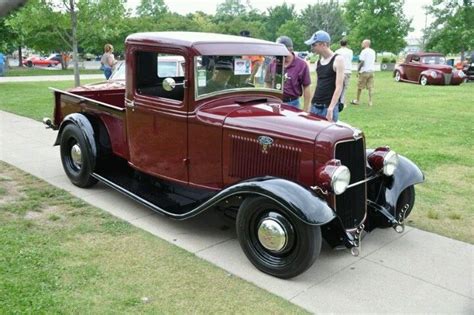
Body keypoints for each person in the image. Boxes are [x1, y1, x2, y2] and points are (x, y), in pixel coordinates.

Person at [304, 30, 345, 122]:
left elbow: (339, 87)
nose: (312, 48)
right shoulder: (318, 62)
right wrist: (311, 104)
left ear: (324, 44)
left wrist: (331, 108)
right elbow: (317, 84)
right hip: (315, 106)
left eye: (314, 45)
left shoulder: (338, 60)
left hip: (328, 107)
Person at [264, 36, 311, 110]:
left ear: (289, 49)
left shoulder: (301, 65)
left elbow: (306, 87)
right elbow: (268, 84)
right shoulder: (272, 63)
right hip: (275, 102)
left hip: (293, 103)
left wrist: (305, 109)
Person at [351, 39, 376, 106]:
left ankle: (357, 100)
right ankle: (370, 101)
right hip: (371, 71)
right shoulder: (373, 51)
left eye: (363, 43)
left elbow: (362, 62)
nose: (361, 44)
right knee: (370, 87)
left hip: (364, 71)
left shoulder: (363, 51)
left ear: (366, 44)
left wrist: (358, 70)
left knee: (360, 87)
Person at [335, 39, 353, 106]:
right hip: (347, 70)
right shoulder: (350, 51)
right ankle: (342, 102)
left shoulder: (337, 51)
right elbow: (350, 59)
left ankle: (337, 100)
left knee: (338, 86)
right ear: (347, 44)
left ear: (340, 44)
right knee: (344, 87)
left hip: (339, 70)